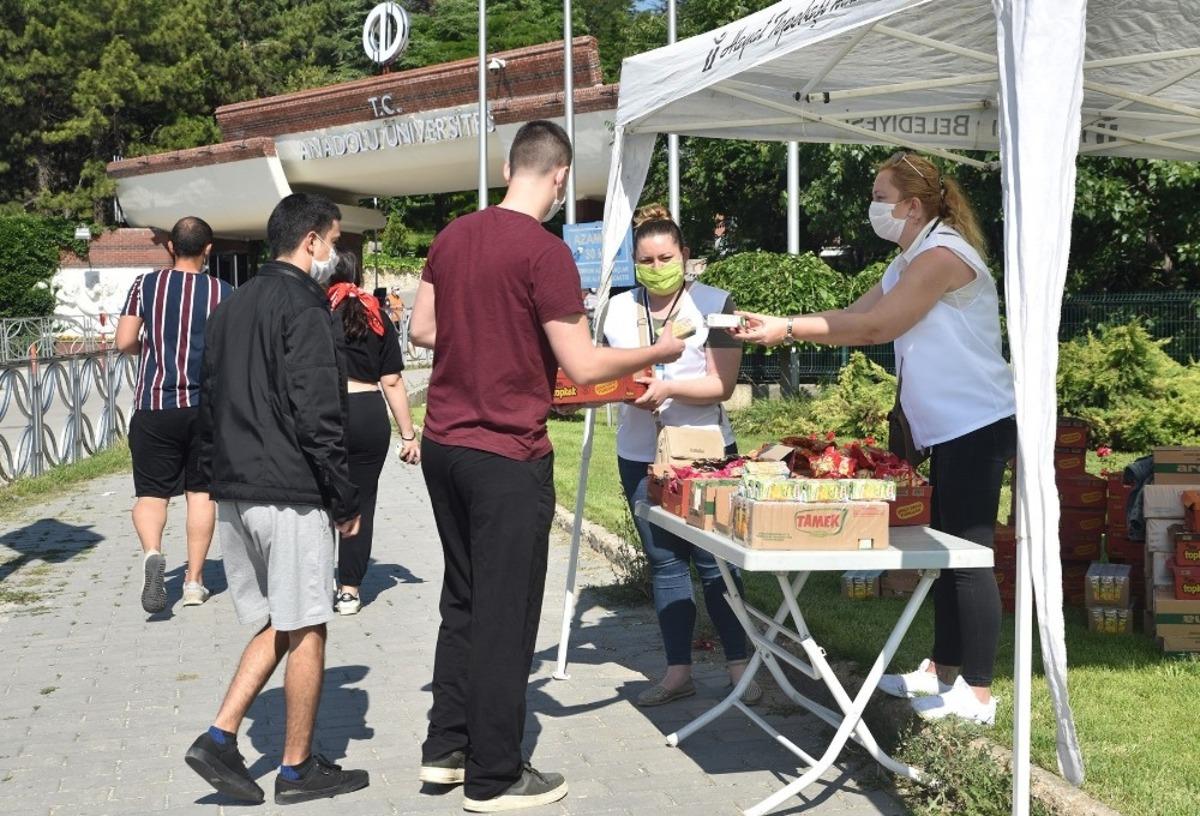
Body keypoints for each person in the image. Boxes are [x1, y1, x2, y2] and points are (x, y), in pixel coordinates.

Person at [408, 120, 686, 812]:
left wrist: (484, 330)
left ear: (510, 165)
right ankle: (494, 773)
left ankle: (446, 748)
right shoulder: (544, 251)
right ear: (560, 178)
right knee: (506, 612)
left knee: (464, 598)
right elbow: (584, 365)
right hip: (505, 454)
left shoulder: (451, 235)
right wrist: (659, 351)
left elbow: (421, 329)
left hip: (443, 446)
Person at [732, 151, 1016, 727]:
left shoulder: (941, 257)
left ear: (913, 206)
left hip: (977, 422)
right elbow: (855, 315)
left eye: (882, 197)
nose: (874, 207)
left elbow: (879, 327)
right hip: (948, 426)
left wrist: (785, 329)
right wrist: (780, 325)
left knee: (970, 554)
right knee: (946, 550)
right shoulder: (909, 258)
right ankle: (941, 670)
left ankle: (979, 693)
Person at [184, 193, 368, 805]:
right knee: (310, 624)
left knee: (283, 618)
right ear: (311, 240)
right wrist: (344, 498)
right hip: (289, 491)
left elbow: (207, 405)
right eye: (334, 240)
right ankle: (296, 768)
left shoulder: (231, 306)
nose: (335, 254)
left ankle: (219, 737)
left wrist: (210, 481)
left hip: (237, 490)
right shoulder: (306, 306)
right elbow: (319, 414)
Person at [600, 203, 757, 707]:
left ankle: (740, 669)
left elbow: (722, 384)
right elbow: (601, 372)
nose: (656, 267)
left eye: (665, 256)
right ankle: (677, 672)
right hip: (640, 452)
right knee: (665, 564)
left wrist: (666, 387)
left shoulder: (717, 303)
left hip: (705, 452)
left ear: (686, 255)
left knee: (716, 564)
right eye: (645, 260)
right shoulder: (617, 310)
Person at [116, 216, 230, 613]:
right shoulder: (223, 292)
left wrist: (146, 353)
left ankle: (152, 553)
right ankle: (195, 582)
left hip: (154, 405)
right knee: (201, 493)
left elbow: (125, 340)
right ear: (208, 250)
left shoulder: (146, 285)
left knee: (151, 494)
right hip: (204, 409)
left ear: (170, 247)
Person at [327, 251, 421, 615]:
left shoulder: (319, 313)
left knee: (320, 500)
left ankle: (314, 583)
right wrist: (409, 435)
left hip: (327, 413)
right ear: (360, 275)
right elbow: (393, 380)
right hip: (368, 413)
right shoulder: (376, 314)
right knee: (362, 502)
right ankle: (349, 590)